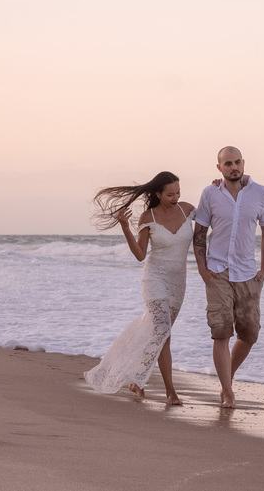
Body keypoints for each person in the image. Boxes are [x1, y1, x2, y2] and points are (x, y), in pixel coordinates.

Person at [84, 171, 194, 405]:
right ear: (158, 194)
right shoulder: (148, 216)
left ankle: (136, 380)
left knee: (158, 334)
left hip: (178, 282)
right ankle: (170, 391)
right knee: (163, 332)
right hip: (154, 279)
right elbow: (140, 255)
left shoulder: (188, 210)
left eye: (178, 192)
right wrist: (125, 225)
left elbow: (214, 220)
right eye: (170, 194)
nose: (176, 197)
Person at [192, 146, 264, 408]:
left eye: (237, 162)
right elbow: (200, 233)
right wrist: (203, 269)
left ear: (243, 162)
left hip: (248, 273)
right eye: (227, 163)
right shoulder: (209, 194)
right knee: (221, 332)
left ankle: (227, 377)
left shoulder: (260, 193)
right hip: (217, 271)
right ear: (219, 167)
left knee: (249, 334)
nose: (233, 167)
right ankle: (227, 391)